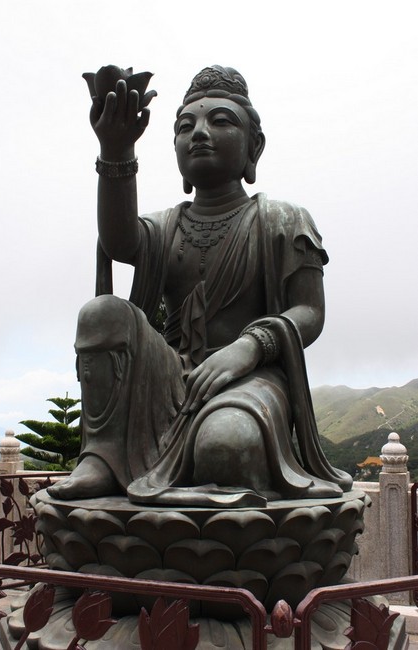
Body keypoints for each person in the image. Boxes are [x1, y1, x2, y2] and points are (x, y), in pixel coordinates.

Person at [49, 65, 352, 507]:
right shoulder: (165, 226)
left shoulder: (282, 220)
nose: (200, 133)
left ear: (254, 147)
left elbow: (309, 312)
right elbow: (118, 240)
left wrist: (250, 347)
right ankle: (104, 457)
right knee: (102, 312)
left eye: (221, 121)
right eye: (185, 126)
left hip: (249, 378)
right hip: (169, 377)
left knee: (225, 446)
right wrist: (116, 150)